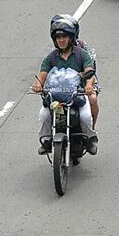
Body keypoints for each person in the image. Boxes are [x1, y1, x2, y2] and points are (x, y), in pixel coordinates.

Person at [30, 14, 97, 155]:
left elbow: (89, 71)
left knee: (85, 117)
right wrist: (37, 85)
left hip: (77, 95)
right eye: (58, 37)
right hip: (55, 97)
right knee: (44, 115)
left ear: (71, 38)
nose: (61, 40)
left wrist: (88, 85)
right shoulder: (51, 57)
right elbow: (42, 75)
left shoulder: (82, 55)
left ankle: (89, 140)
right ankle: (47, 141)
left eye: (64, 37)